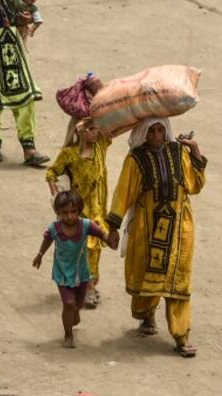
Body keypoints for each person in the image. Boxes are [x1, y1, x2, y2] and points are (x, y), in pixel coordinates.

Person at [105, 118, 207, 358]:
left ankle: (182, 336)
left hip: (181, 227)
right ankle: (146, 313)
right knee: (146, 273)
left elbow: (195, 186)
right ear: (143, 134)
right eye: (152, 131)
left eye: (162, 130)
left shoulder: (177, 152)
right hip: (147, 226)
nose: (158, 135)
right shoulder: (136, 159)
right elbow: (124, 192)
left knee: (178, 280)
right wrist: (113, 227)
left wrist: (195, 150)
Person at [32, 191, 118, 348]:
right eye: (65, 213)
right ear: (58, 212)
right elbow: (47, 241)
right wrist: (39, 255)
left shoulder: (86, 225)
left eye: (73, 212)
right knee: (69, 303)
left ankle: (75, 312)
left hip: (81, 272)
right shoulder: (55, 228)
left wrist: (110, 240)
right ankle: (68, 335)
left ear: (79, 211)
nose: (70, 216)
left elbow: (102, 235)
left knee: (77, 304)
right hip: (62, 272)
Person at [0, 0, 48, 166]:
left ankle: (29, 149)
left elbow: (22, 14)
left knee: (26, 95)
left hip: (11, 47)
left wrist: (23, 20)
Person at [45, 118, 113, 308]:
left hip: (98, 209)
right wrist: (58, 198)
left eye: (96, 129)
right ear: (80, 131)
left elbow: (114, 126)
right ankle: (89, 287)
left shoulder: (101, 147)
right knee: (84, 248)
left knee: (95, 249)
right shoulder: (69, 154)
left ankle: (88, 283)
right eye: (90, 129)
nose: (95, 133)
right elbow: (51, 172)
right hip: (78, 211)